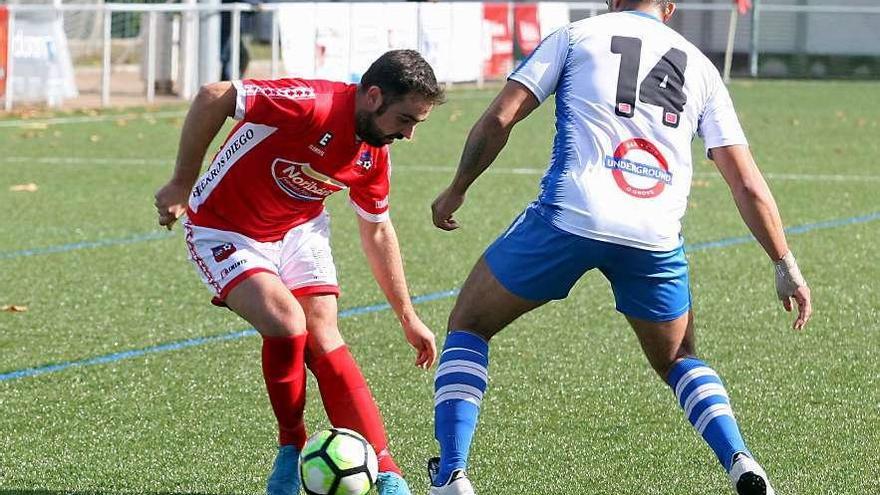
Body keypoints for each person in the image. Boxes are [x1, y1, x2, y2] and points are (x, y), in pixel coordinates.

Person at [426, 1, 812, 495]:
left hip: (571, 215)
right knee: (679, 359)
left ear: (611, 0)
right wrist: (785, 264)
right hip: (653, 234)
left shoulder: (576, 36)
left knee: (470, 323)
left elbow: (500, 119)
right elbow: (747, 183)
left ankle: (452, 473)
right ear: (669, 8)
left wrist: (458, 187)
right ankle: (741, 460)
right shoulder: (700, 67)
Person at [153, 49, 444, 495]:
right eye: (405, 120)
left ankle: (388, 474)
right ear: (372, 96)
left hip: (298, 228)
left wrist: (408, 316)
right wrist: (180, 181)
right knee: (288, 324)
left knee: (324, 336)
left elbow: (379, 232)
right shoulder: (312, 103)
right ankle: (291, 448)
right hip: (222, 227)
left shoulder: (373, 153)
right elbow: (214, 95)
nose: (408, 135)